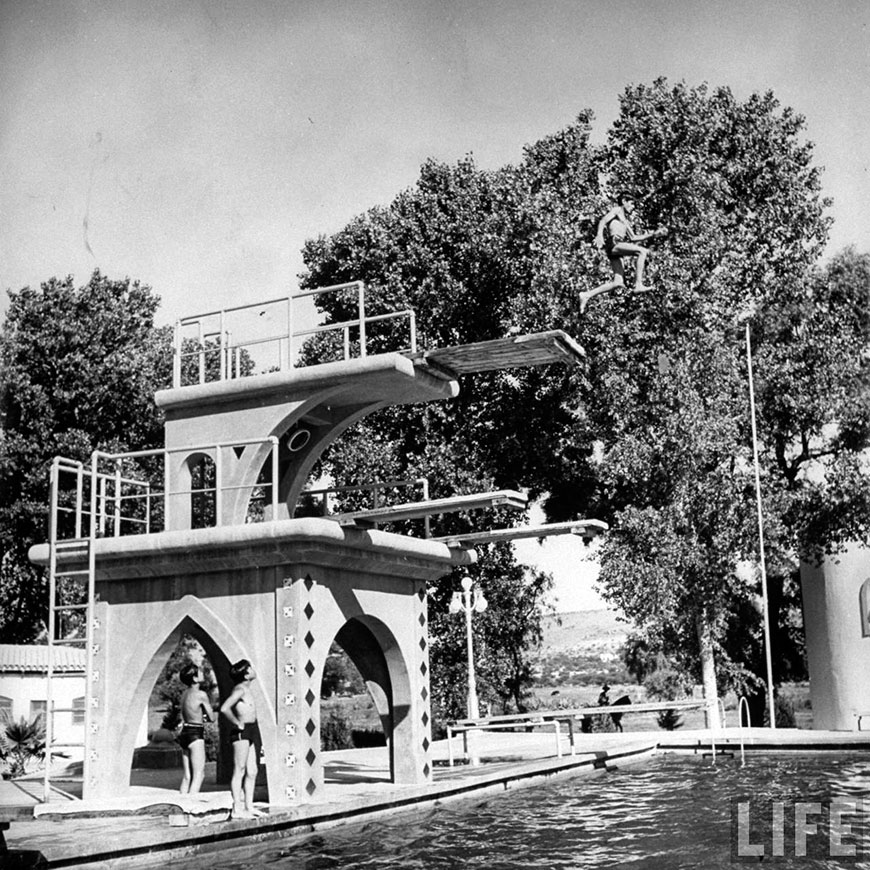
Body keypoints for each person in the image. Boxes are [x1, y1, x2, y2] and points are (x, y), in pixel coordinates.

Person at [578, 196, 667, 313]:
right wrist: (599, 235)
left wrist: (653, 234)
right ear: (624, 201)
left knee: (618, 282)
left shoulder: (625, 220)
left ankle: (586, 295)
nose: (633, 207)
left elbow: (634, 238)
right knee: (642, 251)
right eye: (631, 203)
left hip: (617, 247)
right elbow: (603, 220)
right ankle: (638, 284)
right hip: (614, 242)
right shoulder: (617, 210)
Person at [220, 659, 261, 819]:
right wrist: (237, 722)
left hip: (251, 729)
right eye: (250, 668)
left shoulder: (247, 689)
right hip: (241, 732)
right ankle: (237, 808)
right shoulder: (240, 689)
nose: (253, 669)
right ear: (245, 674)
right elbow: (224, 708)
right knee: (240, 769)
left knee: (252, 771)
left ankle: (249, 807)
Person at [177, 662, 213, 796]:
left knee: (187, 776)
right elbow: (211, 717)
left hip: (185, 732)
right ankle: (191, 807)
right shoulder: (201, 694)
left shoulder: (184, 694)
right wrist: (206, 714)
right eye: (200, 672)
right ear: (195, 678)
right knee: (199, 774)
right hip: (196, 733)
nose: (203, 673)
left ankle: (181, 808)